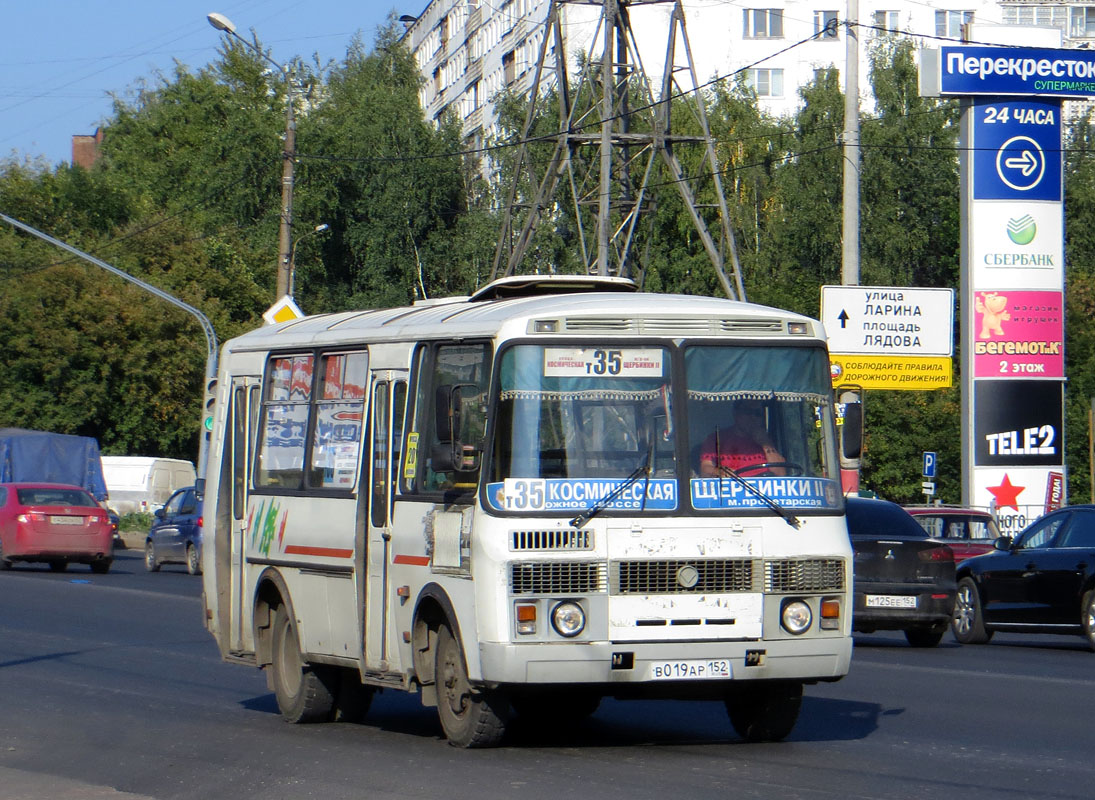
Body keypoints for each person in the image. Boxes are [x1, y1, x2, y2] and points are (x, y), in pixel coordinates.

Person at [699, 399, 786, 477]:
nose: (752, 417)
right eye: (747, 412)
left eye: (757, 413)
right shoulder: (716, 439)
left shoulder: (767, 441)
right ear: (736, 413)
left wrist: (766, 443)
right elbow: (705, 469)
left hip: (763, 494)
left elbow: (781, 473)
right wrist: (719, 472)